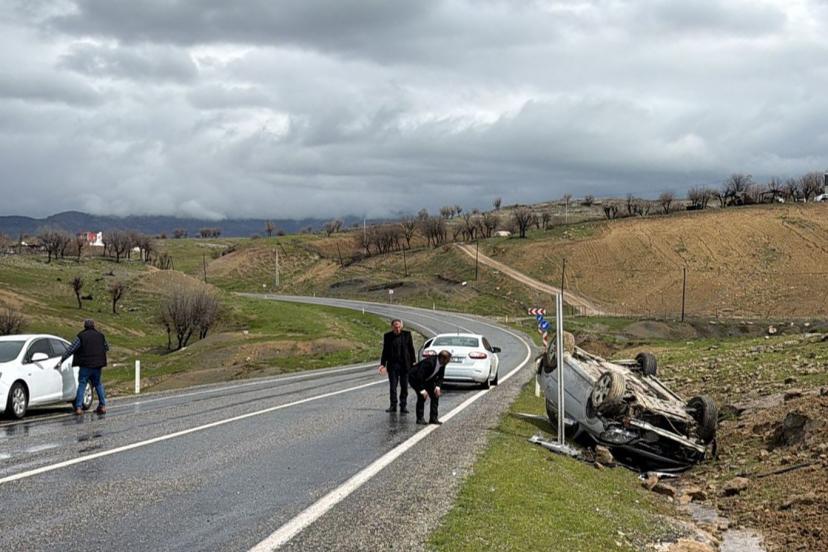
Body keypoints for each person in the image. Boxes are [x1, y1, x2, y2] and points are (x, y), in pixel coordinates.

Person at [59, 319, 109, 415]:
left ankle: (78, 407)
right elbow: (106, 348)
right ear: (93, 326)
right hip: (97, 365)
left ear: (85, 326)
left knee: (82, 384)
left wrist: (62, 359)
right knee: (98, 384)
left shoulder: (81, 336)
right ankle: (102, 406)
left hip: (85, 365)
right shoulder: (100, 336)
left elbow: (71, 349)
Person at [378, 319, 416, 413]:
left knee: (404, 387)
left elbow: (411, 349)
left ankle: (403, 406)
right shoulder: (387, 336)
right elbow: (385, 351)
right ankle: (393, 405)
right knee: (393, 387)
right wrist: (382, 364)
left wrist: (414, 362)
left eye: (399, 327)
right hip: (393, 365)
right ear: (392, 327)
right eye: (396, 327)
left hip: (404, 365)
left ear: (401, 326)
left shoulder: (407, 335)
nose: (398, 329)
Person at [409, 350, 451, 425]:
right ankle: (420, 419)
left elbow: (441, 377)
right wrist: (422, 390)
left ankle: (433, 418)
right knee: (422, 396)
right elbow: (419, 376)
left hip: (428, 379)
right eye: (448, 359)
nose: (449, 361)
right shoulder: (429, 362)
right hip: (415, 378)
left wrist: (438, 387)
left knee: (435, 395)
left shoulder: (442, 364)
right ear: (442, 358)